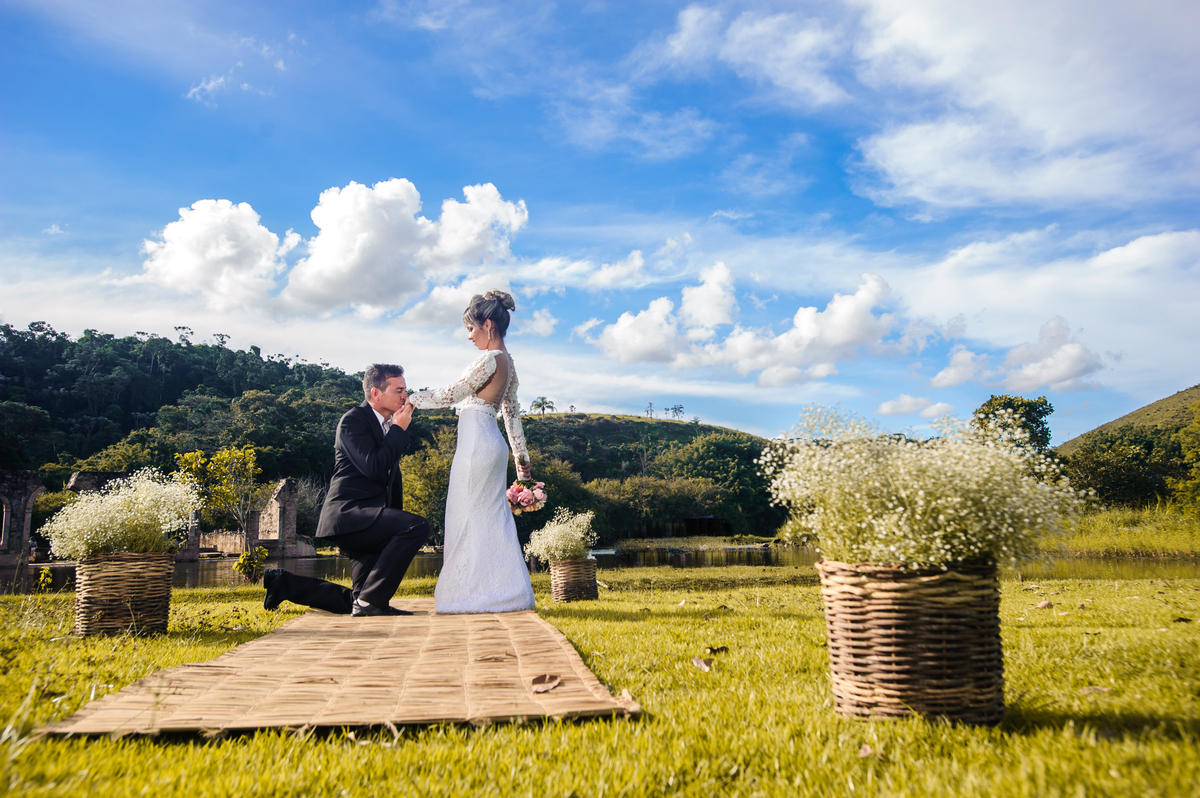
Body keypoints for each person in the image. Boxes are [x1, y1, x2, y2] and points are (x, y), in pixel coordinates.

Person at [263, 364, 431, 616]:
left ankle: (282, 584)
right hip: (349, 515)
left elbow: (391, 479)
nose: (404, 397)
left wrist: (393, 520)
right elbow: (374, 468)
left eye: (405, 390)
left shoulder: (387, 425)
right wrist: (398, 430)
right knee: (417, 526)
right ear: (376, 393)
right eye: (399, 390)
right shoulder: (353, 421)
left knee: (360, 596)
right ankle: (370, 603)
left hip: (372, 518)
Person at [408, 290, 537, 614]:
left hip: (477, 446)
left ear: (488, 325)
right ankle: (504, 592)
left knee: (466, 517)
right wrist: (522, 464)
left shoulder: (490, 359)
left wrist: (410, 399)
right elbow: (512, 418)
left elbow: (454, 393)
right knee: (490, 518)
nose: (469, 336)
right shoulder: (509, 365)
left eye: (471, 328)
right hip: (491, 446)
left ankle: (470, 594)